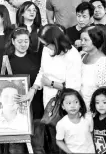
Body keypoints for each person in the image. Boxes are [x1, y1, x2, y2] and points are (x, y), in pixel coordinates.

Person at [31, 24, 82, 153]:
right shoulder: (47, 50)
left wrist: (51, 83)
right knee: (51, 136)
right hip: (48, 101)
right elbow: (42, 71)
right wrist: (34, 89)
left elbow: (73, 87)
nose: (45, 47)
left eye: (46, 44)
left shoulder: (72, 54)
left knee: (64, 139)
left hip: (65, 102)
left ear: (55, 41)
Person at [8, 28, 45, 154]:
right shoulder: (7, 61)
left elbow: (42, 79)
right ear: (13, 41)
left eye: (26, 41)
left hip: (36, 107)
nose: (23, 44)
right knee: (16, 149)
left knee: (38, 147)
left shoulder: (37, 58)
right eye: (19, 41)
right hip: (16, 110)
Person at [80, 25, 106, 110]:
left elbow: (104, 92)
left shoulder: (104, 62)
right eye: (81, 40)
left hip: (93, 109)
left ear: (96, 40)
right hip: (79, 106)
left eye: (86, 40)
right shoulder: (83, 57)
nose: (82, 42)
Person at [55, 89, 95, 154]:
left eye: (76, 102)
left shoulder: (88, 118)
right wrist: (69, 152)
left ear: (80, 104)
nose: (73, 106)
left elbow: (92, 134)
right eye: (68, 103)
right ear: (63, 106)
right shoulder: (61, 124)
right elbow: (59, 141)